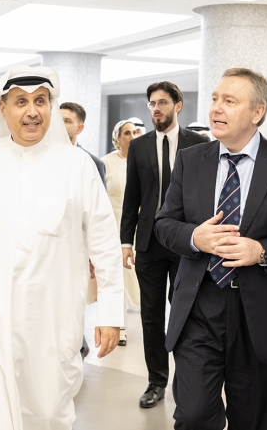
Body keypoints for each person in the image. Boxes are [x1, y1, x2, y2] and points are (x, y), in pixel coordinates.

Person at [0, 66, 124, 430]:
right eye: (21, 102)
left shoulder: (77, 165)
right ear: (2, 109)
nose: (32, 111)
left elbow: (105, 244)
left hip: (50, 319)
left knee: (45, 414)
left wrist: (109, 314)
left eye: (40, 101)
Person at [154, 68, 267, 429]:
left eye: (229, 101)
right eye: (215, 99)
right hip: (199, 307)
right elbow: (164, 224)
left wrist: (261, 251)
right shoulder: (191, 160)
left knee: (251, 421)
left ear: (257, 112)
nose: (216, 108)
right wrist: (195, 237)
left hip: (263, 313)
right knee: (192, 415)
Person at [120, 81, 207, 408]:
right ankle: (156, 382)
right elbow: (132, 196)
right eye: (152, 104)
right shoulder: (139, 146)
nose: (156, 109)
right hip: (149, 243)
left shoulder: (198, 143)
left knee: (186, 314)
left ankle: (188, 382)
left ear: (177, 106)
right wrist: (125, 241)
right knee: (151, 316)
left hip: (185, 241)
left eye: (162, 103)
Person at [59, 101, 106, 358]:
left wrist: (92, 256)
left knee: (76, 300)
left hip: (77, 245)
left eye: (67, 121)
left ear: (80, 127)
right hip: (51, 246)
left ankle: (77, 346)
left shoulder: (93, 163)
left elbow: (98, 215)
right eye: (58, 119)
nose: (61, 125)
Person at [101, 120, 141, 347]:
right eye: (127, 133)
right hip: (113, 227)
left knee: (135, 275)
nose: (132, 136)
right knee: (118, 276)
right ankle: (120, 326)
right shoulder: (106, 163)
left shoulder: (143, 162)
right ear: (118, 138)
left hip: (137, 228)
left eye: (135, 132)